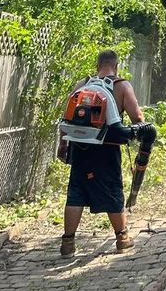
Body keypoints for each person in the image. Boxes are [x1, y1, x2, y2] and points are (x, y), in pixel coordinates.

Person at [59, 49, 144, 258]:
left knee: (76, 192)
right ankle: (122, 238)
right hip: (108, 148)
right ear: (116, 66)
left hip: (80, 147)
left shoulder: (83, 84)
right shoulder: (121, 86)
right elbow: (137, 117)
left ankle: (68, 243)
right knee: (112, 190)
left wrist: (62, 144)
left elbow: (66, 117)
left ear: (98, 66)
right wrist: (140, 132)